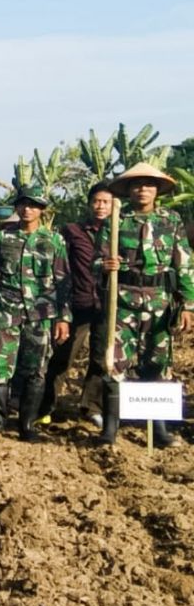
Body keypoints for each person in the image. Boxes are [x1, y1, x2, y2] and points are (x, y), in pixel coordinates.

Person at [95, 163, 194, 446]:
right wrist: (105, 264)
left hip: (159, 303)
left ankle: (159, 429)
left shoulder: (171, 221)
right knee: (114, 363)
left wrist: (188, 305)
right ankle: (110, 429)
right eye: (136, 184)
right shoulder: (116, 220)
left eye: (149, 185)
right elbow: (95, 260)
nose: (142, 189)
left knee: (157, 362)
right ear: (128, 190)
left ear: (157, 190)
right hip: (123, 302)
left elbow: (184, 264)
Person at [0, 185, 71, 442]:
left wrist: (64, 318)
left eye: (33, 205)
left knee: (36, 370)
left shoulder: (54, 241)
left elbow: (63, 282)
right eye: (23, 204)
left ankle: (27, 425)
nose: (27, 209)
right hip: (6, 313)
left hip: (40, 317)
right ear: (17, 207)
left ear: (42, 210)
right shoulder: (2, 238)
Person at [40, 183, 111, 423]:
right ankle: (46, 406)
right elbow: (59, 265)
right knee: (63, 355)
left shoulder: (120, 233)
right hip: (77, 303)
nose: (101, 206)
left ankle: (92, 407)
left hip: (107, 305)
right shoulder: (72, 231)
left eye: (106, 202)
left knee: (101, 358)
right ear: (89, 203)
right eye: (96, 201)